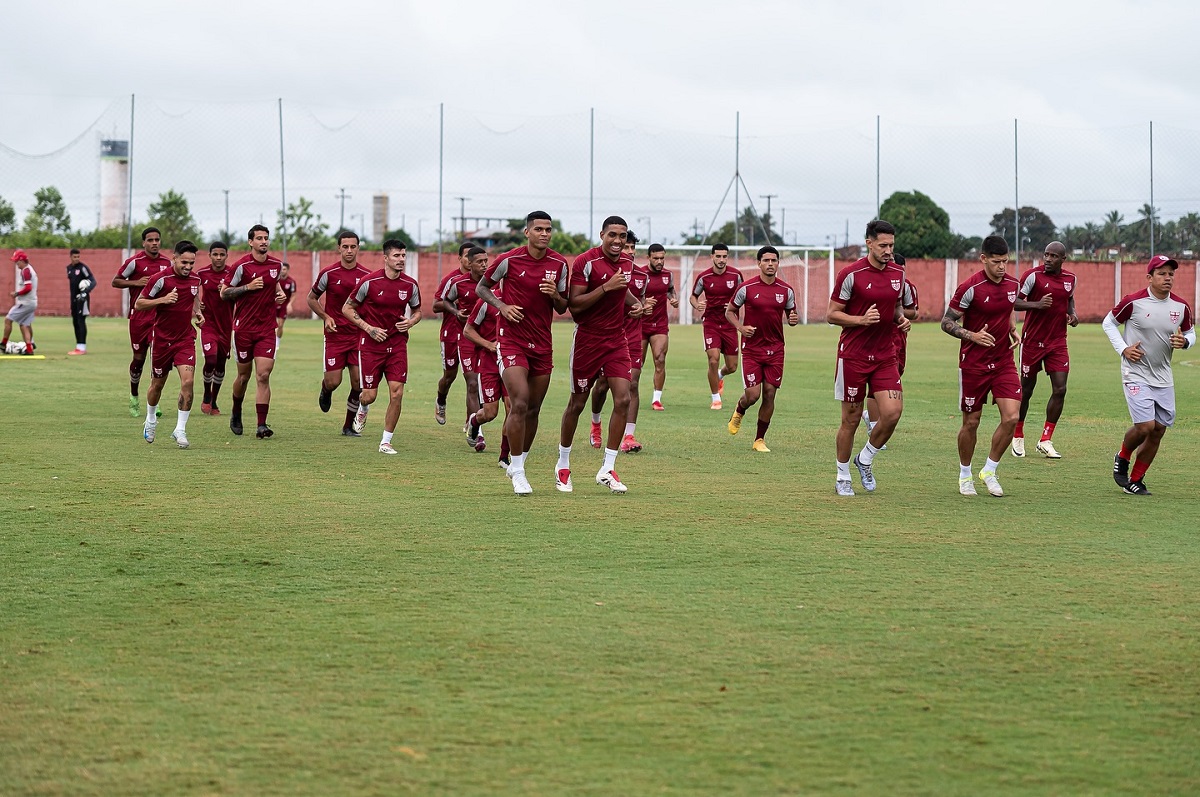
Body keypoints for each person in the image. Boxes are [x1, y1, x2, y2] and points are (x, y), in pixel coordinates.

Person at [476, 211, 570, 496]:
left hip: (542, 343)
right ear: (527, 232)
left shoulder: (559, 264)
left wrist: (554, 294)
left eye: (548, 229)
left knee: (533, 409)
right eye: (539, 229)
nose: (544, 233)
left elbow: (564, 306)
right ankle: (517, 471)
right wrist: (502, 306)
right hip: (511, 340)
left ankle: (520, 462)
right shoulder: (509, 260)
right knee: (519, 402)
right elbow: (483, 287)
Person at [555, 215, 641, 494]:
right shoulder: (584, 262)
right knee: (577, 404)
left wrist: (634, 303)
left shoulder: (627, 264)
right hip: (587, 341)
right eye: (612, 235)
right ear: (602, 234)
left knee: (624, 398)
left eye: (623, 236)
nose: (618, 241)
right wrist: (606, 287)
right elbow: (574, 307)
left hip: (617, 340)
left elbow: (622, 290)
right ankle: (563, 464)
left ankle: (607, 468)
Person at [828, 220, 910, 496]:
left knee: (893, 413)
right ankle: (842, 475)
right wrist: (860, 320)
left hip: (886, 355)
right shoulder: (851, 274)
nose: (888, 251)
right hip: (853, 355)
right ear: (869, 243)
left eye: (892, 245)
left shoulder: (898, 273)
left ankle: (864, 459)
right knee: (850, 420)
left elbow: (896, 304)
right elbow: (832, 314)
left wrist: (900, 318)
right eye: (883, 245)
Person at [1103, 255, 1195, 496]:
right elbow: (1108, 323)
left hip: (1163, 377)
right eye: (1162, 274)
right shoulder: (1133, 302)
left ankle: (1135, 480)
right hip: (1136, 373)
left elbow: (1191, 333)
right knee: (1145, 426)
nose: (1167, 278)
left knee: (1158, 430)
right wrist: (1123, 349)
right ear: (1149, 277)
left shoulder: (1180, 306)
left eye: (1171, 274)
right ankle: (1123, 456)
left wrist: (1185, 341)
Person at [942, 235, 1021, 497]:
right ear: (983, 259)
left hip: (1003, 362)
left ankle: (989, 470)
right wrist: (972, 335)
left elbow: (1008, 308)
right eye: (996, 262)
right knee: (971, 422)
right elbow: (947, 322)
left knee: (1011, 417)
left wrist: (1012, 328)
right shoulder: (970, 288)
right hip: (973, 364)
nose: (1002, 267)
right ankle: (965, 475)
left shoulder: (1013, 284)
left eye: (1005, 262)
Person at [343, 239, 422, 454]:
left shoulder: (410, 285)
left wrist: (411, 322)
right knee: (370, 395)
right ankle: (363, 407)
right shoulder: (369, 282)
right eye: (396, 256)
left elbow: (417, 312)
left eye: (403, 256)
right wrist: (369, 328)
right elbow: (347, 309)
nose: (401, 260)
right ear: (385, 258)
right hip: (370, 345)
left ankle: (385, 441)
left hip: (397, 344)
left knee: (397, 393)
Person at [725, 246, 799, 452]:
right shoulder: (746, 288)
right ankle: (739, 411)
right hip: (752, 349)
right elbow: (730, 312)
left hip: (776, 349)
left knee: (769, 394)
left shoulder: (786, 290)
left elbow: (792, 317)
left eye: (774, 260)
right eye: (766, 260)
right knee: (753, 394)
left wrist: (793, 319)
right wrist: (740, 328)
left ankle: (759, 439)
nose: (770, 264)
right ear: (758, 263)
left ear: (778, 263)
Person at [133, 241, 203, 449]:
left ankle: (180, 429)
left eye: (191, 263)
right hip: (163, 340)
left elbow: (194, 296)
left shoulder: (195, 279)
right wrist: (162, 300)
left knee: (188, 382)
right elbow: (139, 303)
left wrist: (198, 313)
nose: (188, 267)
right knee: (157, 385)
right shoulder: (160, 279)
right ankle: (151, 419)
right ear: (174, 258)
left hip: (185, 339)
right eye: (184, 262)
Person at [587, 232, 653, 452]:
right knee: (602, 385)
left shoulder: (642, 276)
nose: (630, 252)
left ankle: (629, 436)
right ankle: (596, 423)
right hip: (606, 334)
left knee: (632, 383)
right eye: (627, 248)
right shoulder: (602, 271)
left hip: (632, 336)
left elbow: (640, 301)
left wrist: (643, 307)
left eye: (633, 247)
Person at [1012, 241, 1077, 459]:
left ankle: (1046, 439)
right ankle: (1018, 435)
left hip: (1058, 342)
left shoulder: (1070, 280)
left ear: (1063, 259)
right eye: (1046, 254)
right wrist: (1037, 304)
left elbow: (1069, 299)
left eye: (1053, 256)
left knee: (1060, 389)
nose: (1048, 259)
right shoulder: (1033, 276)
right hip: (1032, 342)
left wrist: (1073, 315)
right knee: (1026, 390)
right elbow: (1015, 302)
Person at [221, 224, 286, 438]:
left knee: (263, 375)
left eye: (266, 238)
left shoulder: (276, 265)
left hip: (267, 329)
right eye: (259, 238)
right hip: (243, 330)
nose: (264, 241)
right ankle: (236, 409)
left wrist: (279, 294)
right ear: (251, 242)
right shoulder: (241, 267)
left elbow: (273, 284)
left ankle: (261, 425)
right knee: (243, 376)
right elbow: (224, 293)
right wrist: (247, 287)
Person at [309, 231, 372, 436]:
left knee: (358, 383)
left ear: (358, 248)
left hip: (358, 336)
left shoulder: (366, 276)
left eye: (353, 246)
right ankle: (325, 390)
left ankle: (348, 426)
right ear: (339, 248)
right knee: (333, 381)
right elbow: (311, 299)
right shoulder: (329, 273)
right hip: (335, 336)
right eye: (345, 246)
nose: (349, 250)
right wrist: (326, 317)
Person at [112, 227, 170, 415]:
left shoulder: (167, 263)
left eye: (157, 240)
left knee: (156, 359)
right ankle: (134, 396)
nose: (154, 243)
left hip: (158, 319)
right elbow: (116, 281)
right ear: (143, 243)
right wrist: (136, 282)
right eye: (150, 240)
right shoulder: (134, 263)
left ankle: (154, 401)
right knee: (139, 359)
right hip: (138, 319)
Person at [863, 254, 918, 439]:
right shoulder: (875, 283)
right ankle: (873, 425)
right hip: (880, 338)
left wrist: (899, 315)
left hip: (900, 337)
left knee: (896, 375)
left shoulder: (907, 286)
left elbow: (913, 311)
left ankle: (873, 417)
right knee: (878, 383)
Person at [441, 246, 489, 445]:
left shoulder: (493, 283)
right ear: (470, 263)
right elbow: (445, 300)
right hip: (467, 338)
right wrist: (455, 312)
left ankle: (475, 419)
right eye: (480, 262)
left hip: (488, 339)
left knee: (484, 385)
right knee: (471, 382)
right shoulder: (457, 283)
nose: (484, 265)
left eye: (486, 261)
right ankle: (477, 432)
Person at [691, 243, 743, 409]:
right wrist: (697, 304)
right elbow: (693, 296)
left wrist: (733, 306)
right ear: (712, 257)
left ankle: (720, 375)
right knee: (713, 360)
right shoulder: (704, 277)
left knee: (732, 366)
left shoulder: (736, 275)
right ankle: (715, 398)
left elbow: (744, 295)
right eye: (718, 256)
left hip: (729, 324)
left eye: (724, 256)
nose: (721, 260)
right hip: (711, 323)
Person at [462, 288, 511, 460]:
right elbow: (468, 330)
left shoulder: (522, 297)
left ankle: (504, 457)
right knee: (490, 413)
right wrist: (489, 345)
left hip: (512, 361)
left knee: (512, 408)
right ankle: (474, 421)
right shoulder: (487, 299)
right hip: (489, 362)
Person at [432, 242, 475, 425]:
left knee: (472, 380)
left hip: (471, 336)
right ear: (460, 258)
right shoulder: (452, 280)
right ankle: (441, 400)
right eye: (467, 256)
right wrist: (454, 301)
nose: (470, 260)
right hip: (451, 334)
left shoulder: (482, 280)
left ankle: (471, 422)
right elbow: (435, 305)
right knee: (449, 376)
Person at [195, 242, 232, 414]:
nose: (218, 258)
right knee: (210, 359)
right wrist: (197, 307)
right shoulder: (202, 273)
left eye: (222, 254)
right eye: (215, 254)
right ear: (209, 255)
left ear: (226, 256)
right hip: (208, 324)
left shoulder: (232, 274)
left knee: (221, 364)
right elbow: (192, 291)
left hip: (226, 325)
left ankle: (215, 400)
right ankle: (206, 395)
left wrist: (228, 291)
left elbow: (242, 295)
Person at [641, 242, 678, 411]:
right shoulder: (640, 274)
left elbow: (670, 290)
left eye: (662, 258)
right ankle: (627, 394)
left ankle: (656, 399)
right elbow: (631, 295)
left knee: (660, 359)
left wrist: (673, 298)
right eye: (656, 258)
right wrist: (643, 303)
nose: (659, 261)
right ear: (649, 257)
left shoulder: (667, 275)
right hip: (639, 324)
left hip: (660, 324)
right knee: (636, 364)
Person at [3, 250, 37, 355]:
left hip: (25, 303)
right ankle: (30, 347)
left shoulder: (25, 271)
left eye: (17, 261)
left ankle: (3, 344)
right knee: (25, 324)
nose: (16, 264)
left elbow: (28, 287)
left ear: (22, 260)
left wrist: (17, 294)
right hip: (32, 302)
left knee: (8, 320)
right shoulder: (30, 269)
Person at [66, 249, 95, 355]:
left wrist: (85, 292)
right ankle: (78, 346)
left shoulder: (83, 268)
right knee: (75, 322)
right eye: (75, 257)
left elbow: (93, 281)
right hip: (73, 299)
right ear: (71, 257)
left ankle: (82, 347)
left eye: (78, 257)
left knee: (80, 321)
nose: (77, 259)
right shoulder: (69, 269)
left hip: (83, 299)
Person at [275, 261, 297, 350]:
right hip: (273, 304)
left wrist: (290, 304)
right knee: (271, 325)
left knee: (280, 325)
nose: (282, 271)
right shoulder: (276, 281)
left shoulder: (291, 282)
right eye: (281, 269)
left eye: (284, 269)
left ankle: (277, 342)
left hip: (284, 305)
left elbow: (294, 294)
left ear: (288, 270)